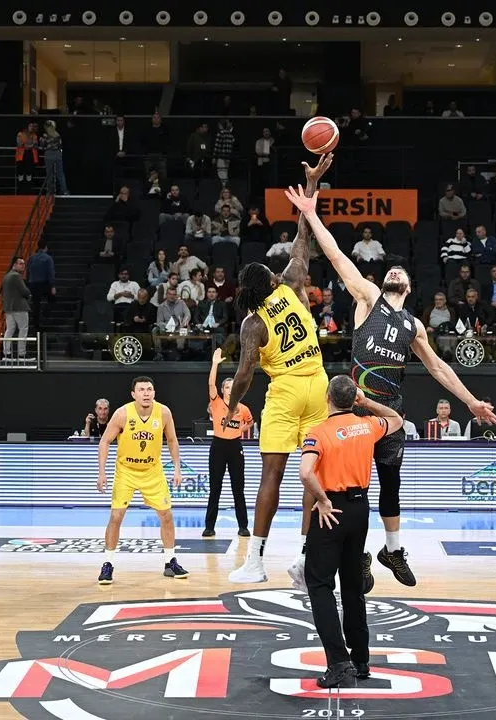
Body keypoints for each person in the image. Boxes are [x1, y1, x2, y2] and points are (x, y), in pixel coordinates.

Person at [286, 182, 496, 588]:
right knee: (348, 487)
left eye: (401, 272)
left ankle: (392, 550)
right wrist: (311, 214)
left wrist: (471, 401)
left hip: (389, 414)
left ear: (410, 287)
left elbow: (438, 368)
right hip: (354, 409)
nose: (395, 272)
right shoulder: (368, 298)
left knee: (390, 483)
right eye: (390, 270)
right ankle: (350, 553)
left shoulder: (413, 325)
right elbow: (336, 256)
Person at [224, 154, 334, 585]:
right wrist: (311, 188)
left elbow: (245, 374)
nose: (275, 270)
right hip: (318, 385)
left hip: (286, 390)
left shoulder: (252, 323)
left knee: (272, 474)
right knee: (313, 473)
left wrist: (231, 406)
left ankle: (255, 563)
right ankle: (307, 560)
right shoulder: (292, 284)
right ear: (268, 281)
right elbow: (303, 238)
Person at [300, 375, 405, 688]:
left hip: (331, 511)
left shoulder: (318, 432)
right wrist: (367, 402)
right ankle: (360, 660)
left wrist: (322, 500)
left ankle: (338, 663)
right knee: (352, 585)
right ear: (353, 398)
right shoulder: (367, 425)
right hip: (360, 510)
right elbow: (396, 419)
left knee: (319, 584)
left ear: (327, 398)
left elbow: (305, 472)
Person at [96, 376, 188, 583]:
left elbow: (172, 440)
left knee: (166, 515)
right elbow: (105, 441)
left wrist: (177, 468)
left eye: (149, 389)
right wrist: (102, 472)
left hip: (152, 470)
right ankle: (108, 563)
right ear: (133, 394)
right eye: (141, 390)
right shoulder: (122, 414)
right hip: (126, 471)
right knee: (116, 516)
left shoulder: (163, 412)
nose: (146, 393)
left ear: (154, 393)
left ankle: (170, 561)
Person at [205, 348, 254, 537]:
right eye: (227, 387)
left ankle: (243, 526)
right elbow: (211, 383)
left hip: (235, 447)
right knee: (215, 488)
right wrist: (215, 364)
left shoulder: (243, 408)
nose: (230, 389)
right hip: (218, 447)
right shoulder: (216, 403)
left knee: (238, 488)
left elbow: (250, 422)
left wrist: (240, 430)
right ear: (222, 390)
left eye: (233, 387)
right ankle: (209, 527)